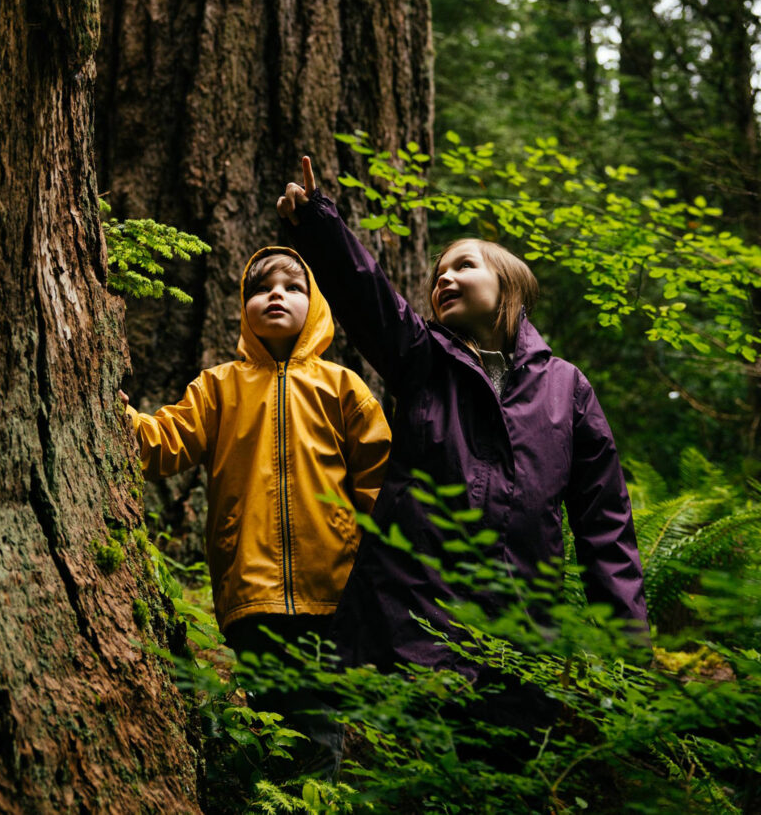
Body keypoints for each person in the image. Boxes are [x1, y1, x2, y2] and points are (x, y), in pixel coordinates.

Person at [277, 158, 648, 686]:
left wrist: (628, 663)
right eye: (438, 274)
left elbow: (605, 527)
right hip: (409, 625)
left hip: (523, 639)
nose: (445, 277)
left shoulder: (568, 389)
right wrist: (319, 224)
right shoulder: (422, 358)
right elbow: (369, 298)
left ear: (510, 287)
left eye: (464, 266)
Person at [121, 246, 391, 776]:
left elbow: (378, 478)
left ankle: (313, 802)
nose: (276, 295)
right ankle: (271, 796)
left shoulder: (342, 386)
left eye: (293, 288)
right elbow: (165, 442)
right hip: (250, 583)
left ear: (314, 307)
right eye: (261, 288)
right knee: (270, 715)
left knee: (315, 719)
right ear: (243, 308)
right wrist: (118, 415)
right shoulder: (220, 385)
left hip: (329, 588)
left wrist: (374, 565)